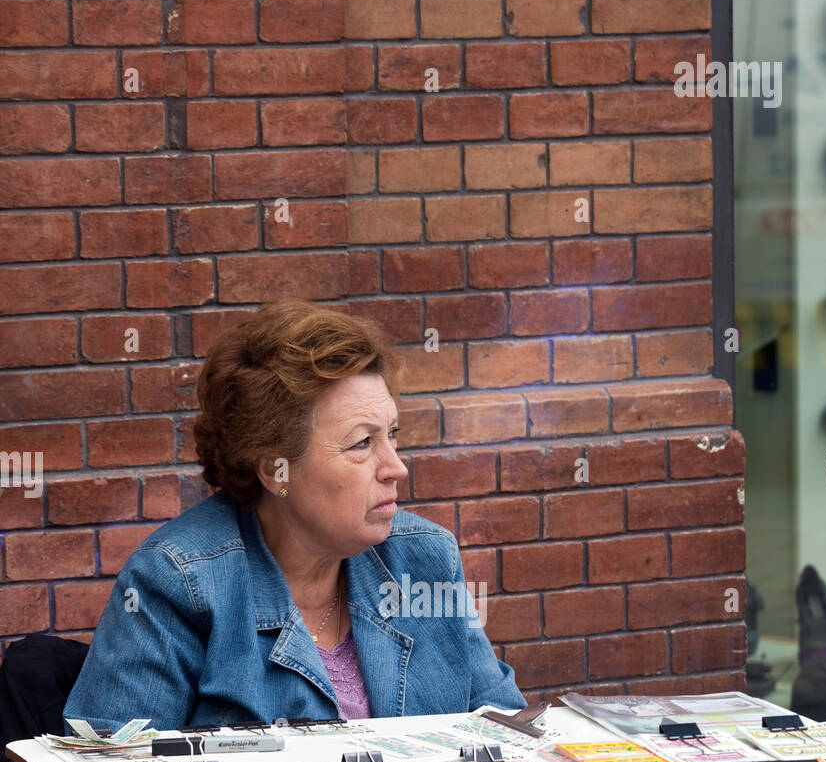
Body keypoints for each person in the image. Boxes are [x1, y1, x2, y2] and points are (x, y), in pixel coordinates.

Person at [64, 298, 526, 732]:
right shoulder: (179, 582)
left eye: (392, 435)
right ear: (275, 470)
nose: (396, 467)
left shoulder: (423, 558)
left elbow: (508, 730)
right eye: (362, 443)